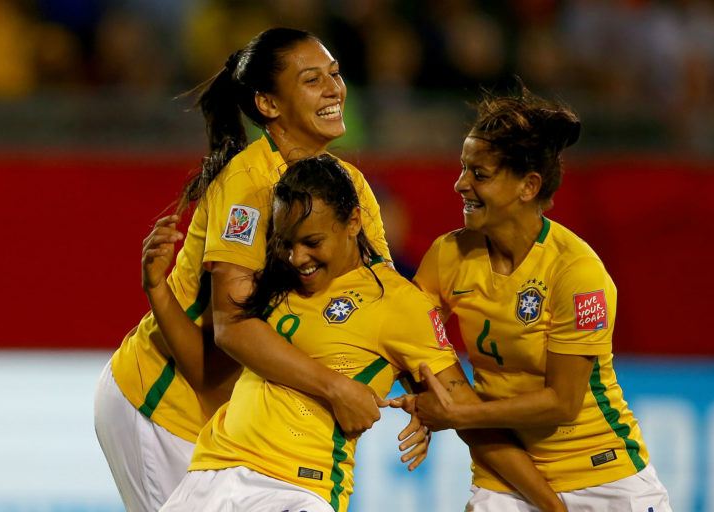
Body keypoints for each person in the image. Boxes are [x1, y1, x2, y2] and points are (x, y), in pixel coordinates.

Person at [93, 28, 396, 511]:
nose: (334, 89)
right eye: (312, 79)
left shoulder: (350, 186)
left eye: (335, 75)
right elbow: (227, 340)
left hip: (240, 423)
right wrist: (336, 388)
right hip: (168, 409)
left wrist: (428, 389)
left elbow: (387, 297)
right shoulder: (250, 188)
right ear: (268, 105)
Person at [159, 154, 567, 512]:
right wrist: (156, 288)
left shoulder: (398, 302)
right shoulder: (277, 278)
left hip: (295, 489)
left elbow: (466, 414)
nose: (297, 257)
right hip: (210, 472)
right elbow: (214, 350)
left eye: (312, 241)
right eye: (287, 242)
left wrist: (550, 504)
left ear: (354, 221)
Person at [408, 84, 672, 511]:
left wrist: (457, 414)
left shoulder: (576, 271)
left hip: (604, 475)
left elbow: (563, 403)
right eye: (463, 168)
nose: (460, 184)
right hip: (503, 479)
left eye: (480, 174)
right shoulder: (447, 256)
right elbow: (409, 338)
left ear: (528, 186)